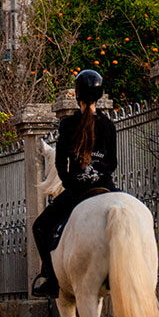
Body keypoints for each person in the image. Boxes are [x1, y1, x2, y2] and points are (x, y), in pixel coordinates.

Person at [31, 70, 117, 298]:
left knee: (40, 227)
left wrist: (72, 183)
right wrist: (100, 177)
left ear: (78, 95)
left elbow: (61, 165)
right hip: (106, 187)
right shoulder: (108, 125)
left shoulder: (68, 125)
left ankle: (51, 278)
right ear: (99, 95)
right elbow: (112, 163)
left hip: (78, 190)